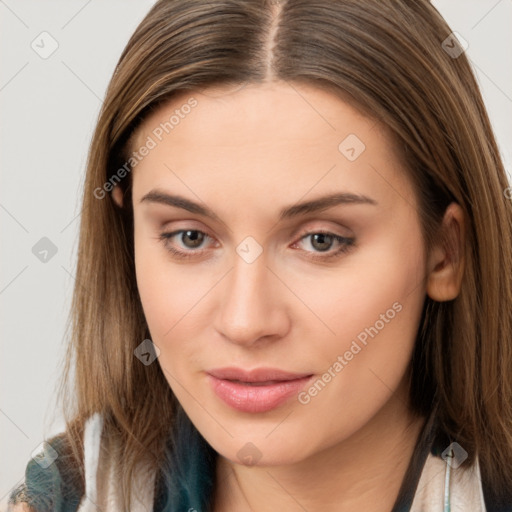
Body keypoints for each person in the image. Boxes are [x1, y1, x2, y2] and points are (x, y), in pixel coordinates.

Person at [8, 0, 512, 511]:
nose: (246, 322)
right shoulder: (63, 494)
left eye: (321, 240)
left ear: (445, 253)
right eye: (190, 237)